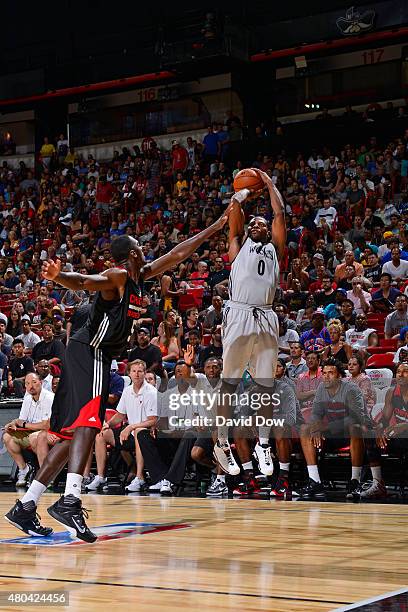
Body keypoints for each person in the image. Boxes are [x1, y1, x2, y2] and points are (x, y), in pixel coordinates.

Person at [5, 207, 231, 542]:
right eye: (141, 247)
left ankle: (26, 505)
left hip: (87, 354)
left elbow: (178, 252)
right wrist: (59, 277)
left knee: (71, 437)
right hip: (90, 352)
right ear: (134, 253)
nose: (147, 251)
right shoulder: (118, 276)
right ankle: (70, 500)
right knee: (88, 424)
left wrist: (215, 226)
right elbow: (85, 282)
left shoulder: (143, 275)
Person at [213, 169, 286, 477]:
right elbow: (233, 213)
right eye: (252, 222)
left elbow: (280, 213)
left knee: (266, 386)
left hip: (267, 316)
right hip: (240, 314)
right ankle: (221, 441)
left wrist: (268, 183)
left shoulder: (276, 250)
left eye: (262, 223)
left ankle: (264, 444)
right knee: (229, 383)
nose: (257, 224)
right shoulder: (237, 245)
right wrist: (242, 195)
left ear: (268, 232)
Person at [88, 360, 158, 492]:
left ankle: (140, 478)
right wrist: (107, 424)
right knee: (101, 434)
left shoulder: (151, 392)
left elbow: (153, 420)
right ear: (129, 374)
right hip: (129, 432)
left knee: (138, 431)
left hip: (147, 435)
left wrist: (131, 427)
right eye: (134, 371)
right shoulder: (127, 391)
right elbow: (120, 415)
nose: (137, 374)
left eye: (140, 371)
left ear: (144, 373)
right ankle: (101, 477)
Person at [3, 373, 54, 487]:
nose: (31, 386)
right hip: (32, 431)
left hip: (48, 432)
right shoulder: (27, 399)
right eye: (27, 383)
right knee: (7, 436)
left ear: (40, 383)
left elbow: (46, 425)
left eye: (34, 382)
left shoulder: (49, 397)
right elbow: (21, 420)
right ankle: (24, 469)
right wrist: (13, 423)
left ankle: (46, 476)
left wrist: (24, 425)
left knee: (35, 437)